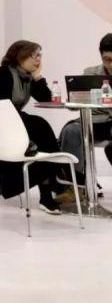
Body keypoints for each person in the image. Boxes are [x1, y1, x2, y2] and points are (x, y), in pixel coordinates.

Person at [0, 40, 66, 214]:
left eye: (40, 55)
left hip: (15, 122)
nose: (38, 59)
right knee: (39, 126)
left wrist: (38, 76)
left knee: (40, 128)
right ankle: (55, 181)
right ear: (19, 56)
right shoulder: (2, 74)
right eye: (34, 55)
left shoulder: (27, 77)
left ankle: (51, 187)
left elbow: (47, 99)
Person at [58, 33, 112, 196]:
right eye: (107, 60)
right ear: (101, 56)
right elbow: (75, 106)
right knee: (71, 131)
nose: (111, 64)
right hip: (94, 122)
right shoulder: (90, 73)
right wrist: (74, 97)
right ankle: (75, 185)